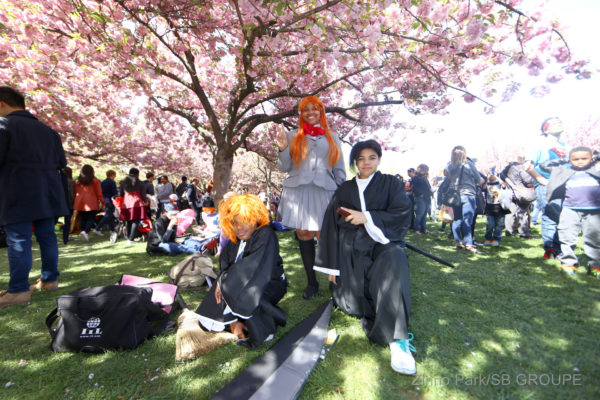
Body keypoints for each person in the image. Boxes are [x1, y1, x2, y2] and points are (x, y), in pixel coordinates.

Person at [314, 140, 416, 375]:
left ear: (379, 159)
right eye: (361, 158)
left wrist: (367, 217)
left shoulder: (391, 183)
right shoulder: (344, 190)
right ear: (355, 162)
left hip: (381, 244)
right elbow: (330, 226)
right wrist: (332, 267)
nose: (366, 162)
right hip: (350, 250)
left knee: (395, 257)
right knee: (354, 305)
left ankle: (398, 340)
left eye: (372, 157)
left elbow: (401, 213)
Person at [0, 86, 69, 307]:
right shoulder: (49, 131)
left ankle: (18, 290)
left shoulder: (4, 125)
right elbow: (62, 164)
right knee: (47, 236)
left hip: (17, 191)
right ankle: (50, 280)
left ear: (1, 104)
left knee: (19, 239)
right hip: (48, 192)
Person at [195, 194, 288, 349]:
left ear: (254, 218)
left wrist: (223, 283)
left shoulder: (266, 234)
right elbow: (226, 266)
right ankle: (236, 321)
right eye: (234, 223)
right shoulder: (235, 238)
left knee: (245, 293)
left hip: (270, 283)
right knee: (208, 317)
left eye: (244, 222)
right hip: (239, 281)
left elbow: (251, 268)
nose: (239, 228)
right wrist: (220, 282)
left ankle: (264, 325)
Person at [275, 95, 345, 300]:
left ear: (321, 111)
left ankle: (334, 281)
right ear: (301, 114)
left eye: (315, 109)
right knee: (304, 235)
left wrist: (343, 190)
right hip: (299, 192)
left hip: (325, 191)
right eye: (306, 110)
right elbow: (284, 167)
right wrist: (282, 146)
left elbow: (339, 166)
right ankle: (311, 282)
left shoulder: (333, 135)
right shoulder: (291, 135)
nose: (310, 113)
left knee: (326, 237)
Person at [543, 147, 600, 277]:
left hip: (594, 210)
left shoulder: (596, 169)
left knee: (594, 239)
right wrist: (564, 159)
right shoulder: (565, 170)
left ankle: (596, 266)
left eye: (584, 158)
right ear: (570, 160)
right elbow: (545, 165)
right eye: (576, 159)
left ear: (591, 158)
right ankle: (568, 263)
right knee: (566, 236)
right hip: (570, 209)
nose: (580, 161)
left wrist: (597, 156)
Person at [524, 117, 569, 259]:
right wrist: (541, 180)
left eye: (560, 121)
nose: (559, 124)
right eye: (554, 123)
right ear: (546, 129)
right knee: (551, 214)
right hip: (547, 184)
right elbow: (528, 166)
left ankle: (559, 246)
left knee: (564, 216)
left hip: (565, 184)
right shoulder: (539, 145)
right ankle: (551, 249)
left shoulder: (566, 146)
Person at [446, 146, 484, 253]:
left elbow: (447, 178)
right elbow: (478, 179)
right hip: (468, 194)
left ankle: (458, 242)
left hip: (455, 195)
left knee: (457, 219)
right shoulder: (469, 164)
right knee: (468, 219)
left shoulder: (450, 166)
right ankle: (468, 244)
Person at [501, 157, 535, 238]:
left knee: (510, 213)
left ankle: (509, 231)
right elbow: (528, 180)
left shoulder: (507, 168)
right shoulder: (520, 167)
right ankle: (523, 233)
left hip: (510, 192)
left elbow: (502, 177)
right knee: (523, 213)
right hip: (521, 193)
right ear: (521, 160)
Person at [73, 165, 105, 242]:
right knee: (91, 218)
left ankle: (84, 231)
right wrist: (103, 202)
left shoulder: (77, 181)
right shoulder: (95, 181)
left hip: (79, 202)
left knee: (83, 218)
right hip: (91, 202)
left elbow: (75, 192)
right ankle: (85, 231)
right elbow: (99, 193)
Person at [119, 168, 148, 244]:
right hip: (137, 203)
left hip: (126, 203)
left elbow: (120, 194)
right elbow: (143, 195)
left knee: (128, 220)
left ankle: (129, 238)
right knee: (136, 220)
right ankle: (131, 238)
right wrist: (146, 201)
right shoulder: (141, 183)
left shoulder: (124, 183)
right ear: (138, 174)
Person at [483, 174, 508, 246]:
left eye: (492, 175)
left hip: (499, 207)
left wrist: (497, 177)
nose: (491, 176)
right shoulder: (487, 184)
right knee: (490, 224)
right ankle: (488, 238)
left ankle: (496, 238)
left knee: (499, 224)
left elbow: (504, 185)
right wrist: (487, 179)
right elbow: (483, 187)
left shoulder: (499, 183)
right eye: (490, 175)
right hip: (489, 207)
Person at [92, 170, 118, 235]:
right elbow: (114, 192)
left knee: (110, 214)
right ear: (112, 175)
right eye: (114, 175)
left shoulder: (103, 182)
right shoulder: (112, 182)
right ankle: (97, 228)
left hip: (104, 199)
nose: (115, 176)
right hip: (110, 199)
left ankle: (112, 228)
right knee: (108, 214)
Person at [411, 164, 432, 234]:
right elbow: (414, 188)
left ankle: (423, 229)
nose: (425, 171)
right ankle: (416, 229)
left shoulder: (424, 177)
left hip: (427, 198)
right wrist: (420, 194)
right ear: (419, 169)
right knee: (420, 214)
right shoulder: (415, 177)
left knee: (424, 214)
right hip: (420, 198)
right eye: (424, 170)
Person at [62, 166, 75, 244]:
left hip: (59, 204)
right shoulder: (71, 182)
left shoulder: (58, 181)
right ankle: (66, 237)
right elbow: (72, 194)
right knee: (67, 221)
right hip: (69, 204)